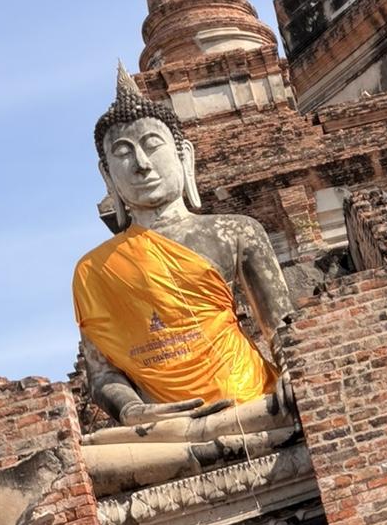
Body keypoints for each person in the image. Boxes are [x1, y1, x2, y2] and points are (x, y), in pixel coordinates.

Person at [73, 65, 294, 427]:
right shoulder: (93, 270)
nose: (141, 164)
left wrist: (293, 371)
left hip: (253, 398)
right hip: (170, 426)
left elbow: (282, 326)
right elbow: (101, 375)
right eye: (123, 153)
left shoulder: (235, 231)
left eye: (152, 145)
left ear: (183, 156)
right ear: (107, 174)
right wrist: (132, 410)